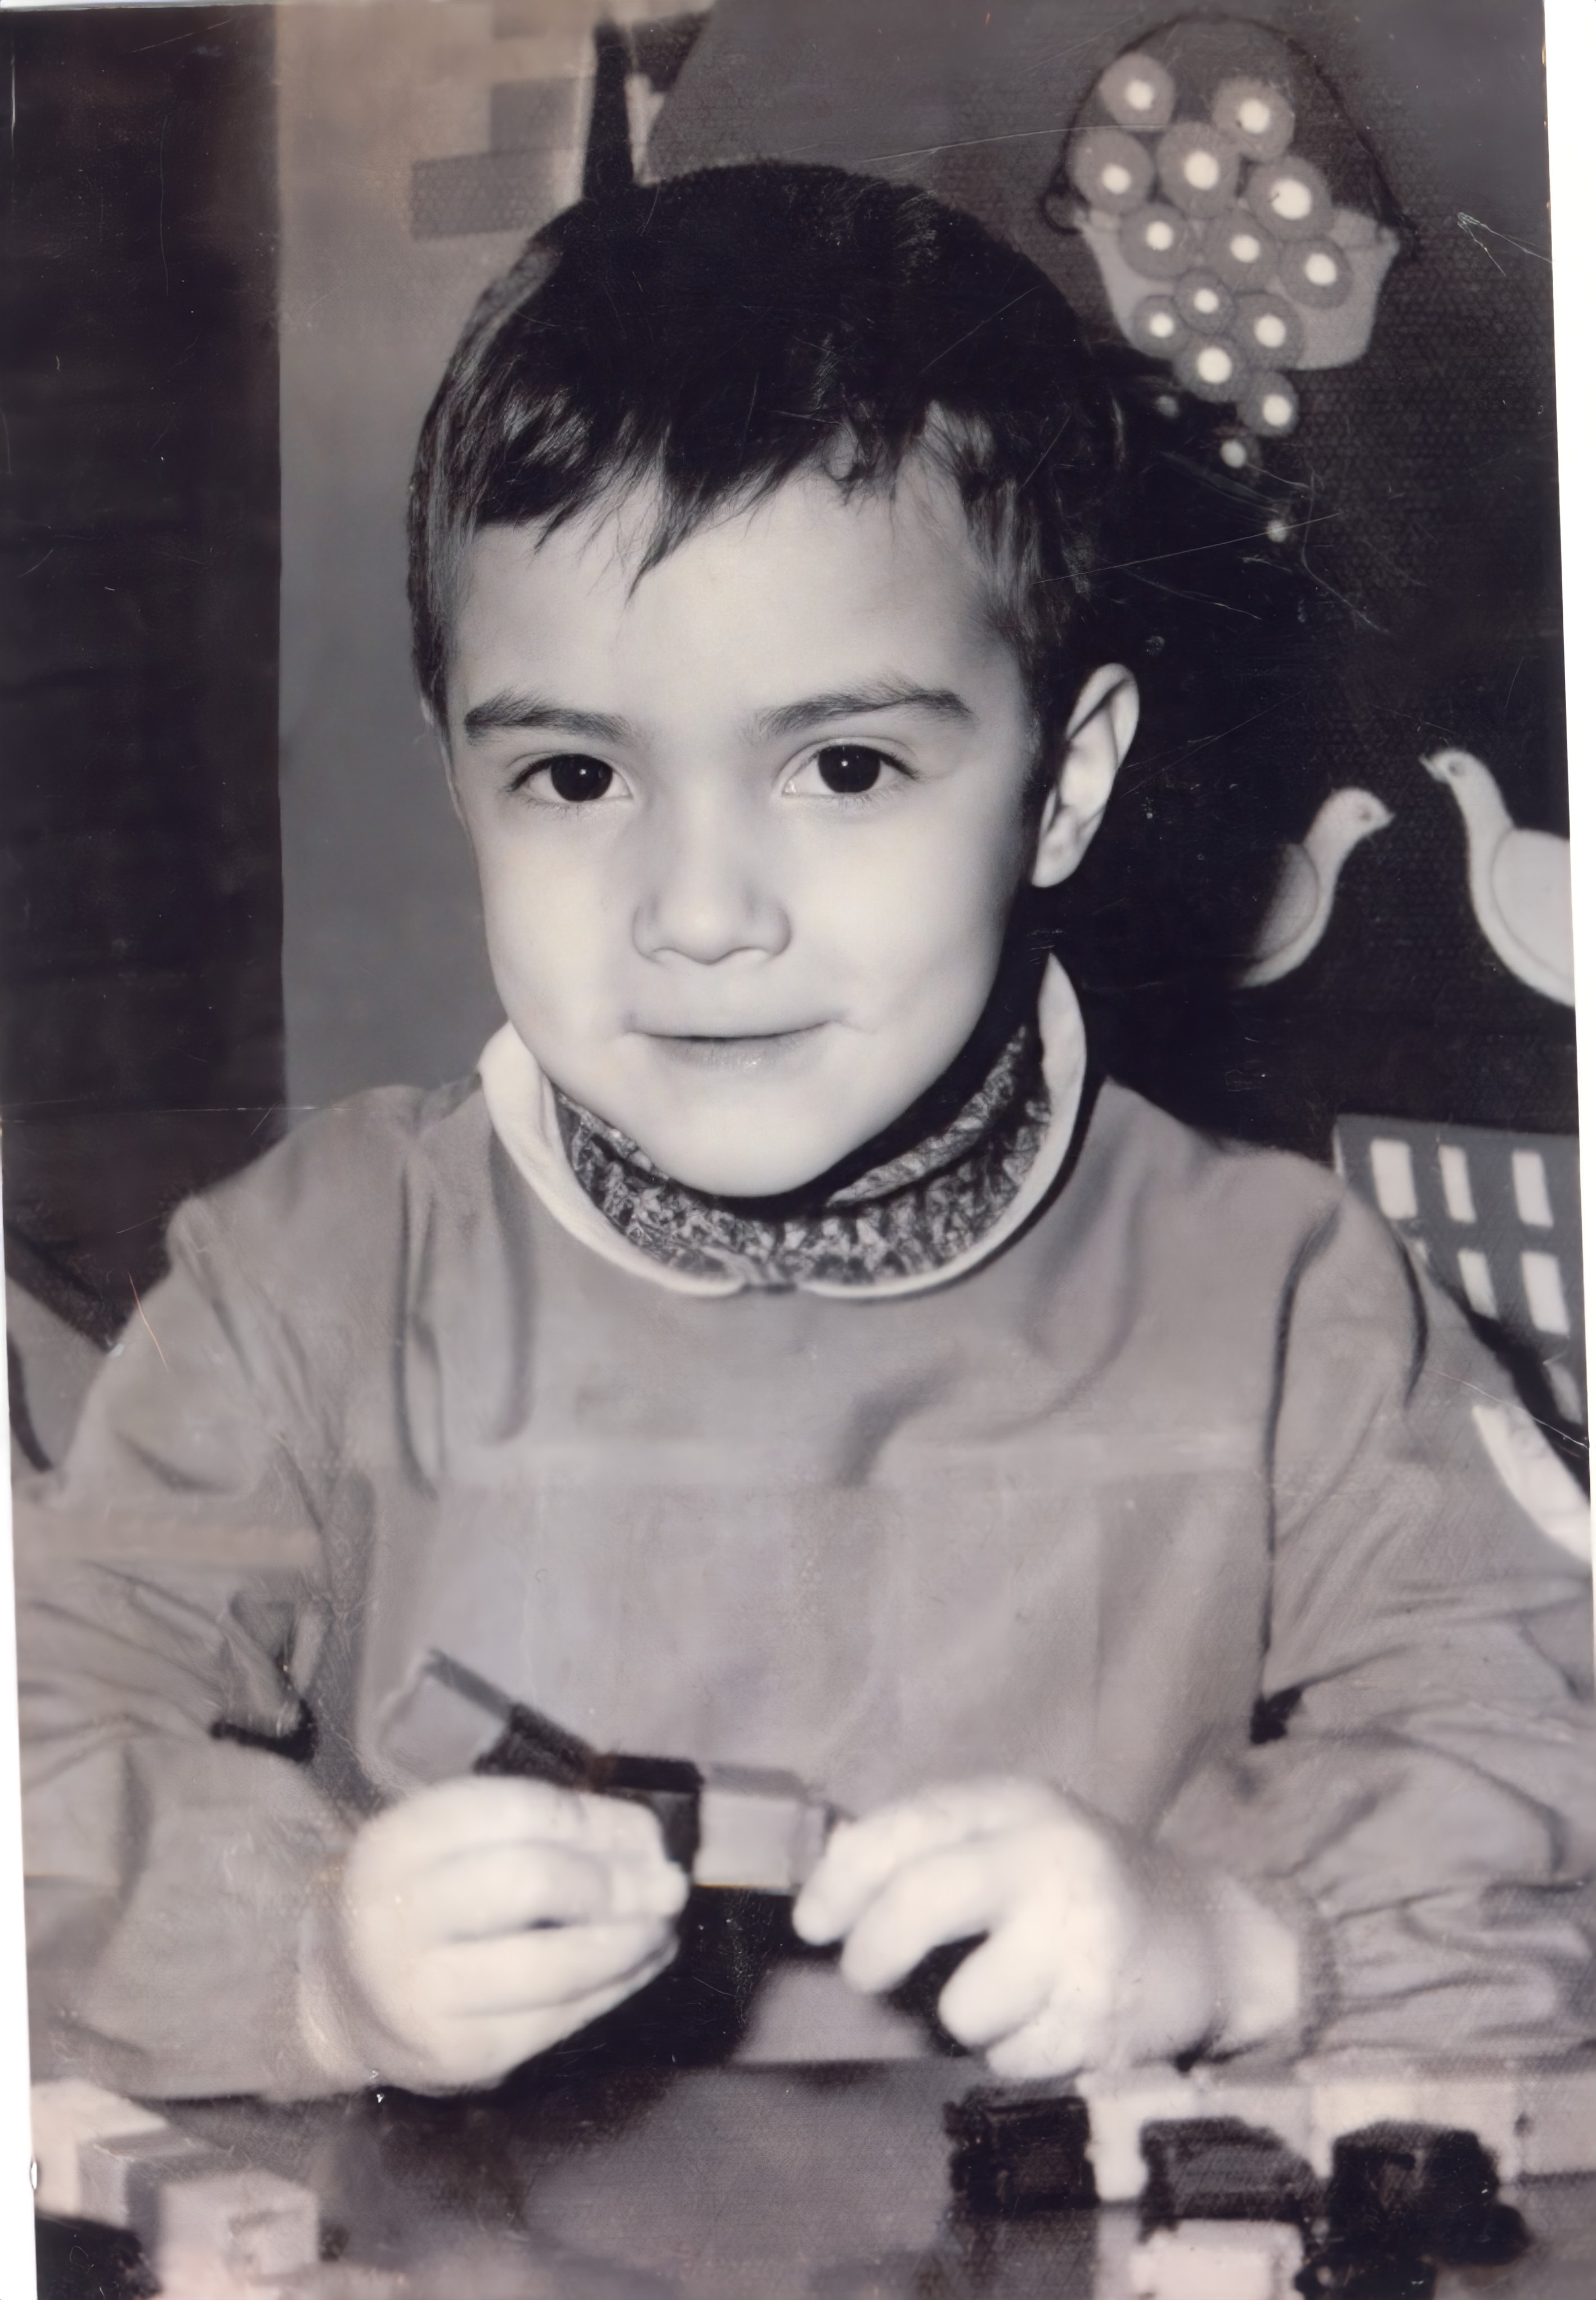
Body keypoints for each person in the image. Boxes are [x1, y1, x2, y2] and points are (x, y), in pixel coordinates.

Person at [15, 164, 1594, 2105]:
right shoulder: (307, 1282)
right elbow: (42, 1734)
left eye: (844, 766)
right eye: (573, 775)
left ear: (1063, 785)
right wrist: (306, 1960)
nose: (698, 912)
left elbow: (1536, 1743)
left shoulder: (1291, 1307)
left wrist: (1244, 1938)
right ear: (459, 780)